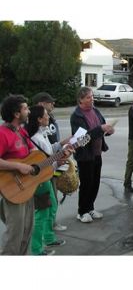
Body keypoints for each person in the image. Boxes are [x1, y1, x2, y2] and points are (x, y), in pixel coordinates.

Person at [26, 106, 70, 255]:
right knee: (41, 213)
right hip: (40, 180)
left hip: (46, 176)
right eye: (46, 115)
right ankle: (36, 249)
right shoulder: (35, 137)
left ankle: (49, 238)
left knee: (52, 208)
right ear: (39, 119)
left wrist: (61, 149)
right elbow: (41, 163)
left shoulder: (41, 134)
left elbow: (48, 153)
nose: (49, 117)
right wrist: (58, 161)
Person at [70, 87, 115, 223]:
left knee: (95, 182)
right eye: (89, 97)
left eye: (92, 97)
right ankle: (82, 211)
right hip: (85, 155)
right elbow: (83, 138)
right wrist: (100, 129)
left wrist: (108, 130)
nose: (92, 99)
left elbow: (102, 125)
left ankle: (90, 208)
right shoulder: (77, 116)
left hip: (97, 153)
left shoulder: (95, 110)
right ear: (81, 100)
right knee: (86, 183)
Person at [0, 95, 35, 255]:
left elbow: (34, 154)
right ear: (16, 114)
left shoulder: (21, 131)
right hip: (11, 190)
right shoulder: (2, 133)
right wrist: (18, 166)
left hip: (27, 187)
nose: (29, 111)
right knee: (15, 236)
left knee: (27, 232)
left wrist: (57, 158)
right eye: (26, 108)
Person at [32, 92, 67, 232]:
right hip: (43, 172)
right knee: (44, 206)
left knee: (52, 200)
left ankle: (50, 230)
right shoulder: (35, 134)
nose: (53, 104)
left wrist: (63, 145)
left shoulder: (47, 125)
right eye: (50, 102)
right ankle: (42, 239)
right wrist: (56, 162)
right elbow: (38, 157)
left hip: (50, 165)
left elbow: (50, 148)